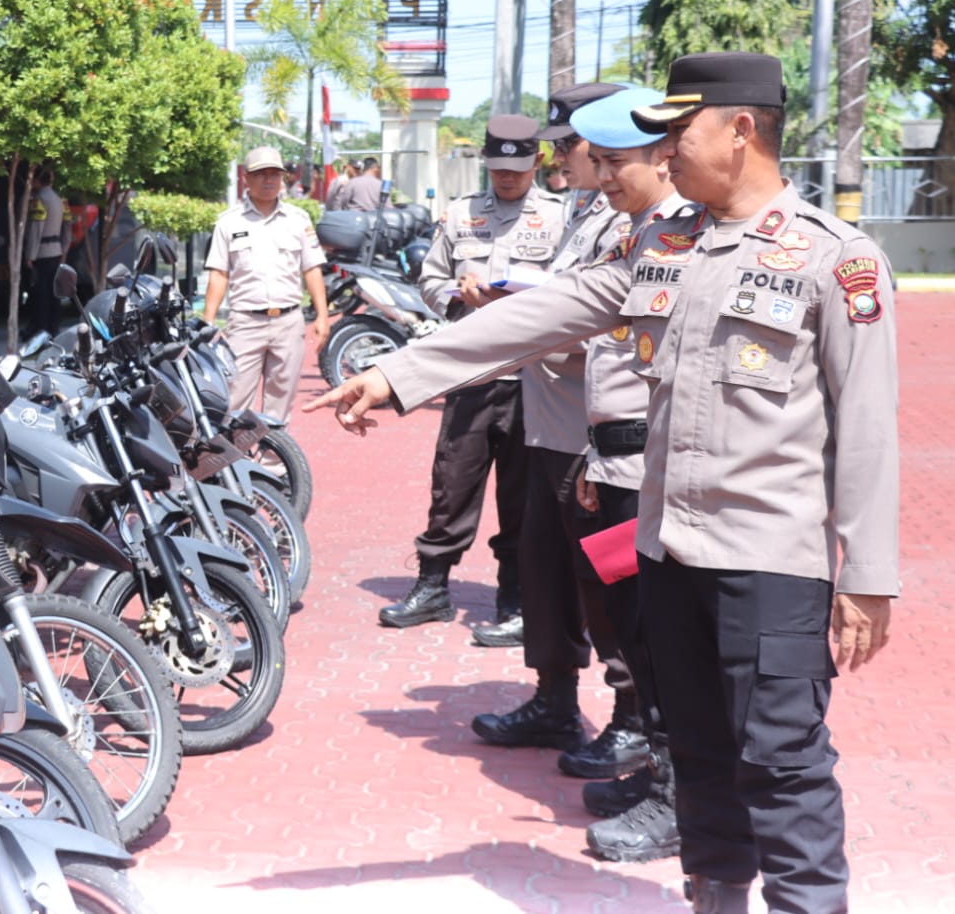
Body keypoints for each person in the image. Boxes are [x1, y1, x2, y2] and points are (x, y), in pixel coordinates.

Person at [308, 52, 897, 914]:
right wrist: (401, 374)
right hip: (668, 552)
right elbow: (542, 312)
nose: (662, 154)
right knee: (696, 756)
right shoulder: (663, 243)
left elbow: (869, 430)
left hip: (771, 564)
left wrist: (870, 579)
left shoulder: (830, 260)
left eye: (677, 134)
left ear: (740, 131)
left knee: (780, 768)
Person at [468, 86, 656, 787]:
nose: (560, 157)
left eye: (570, 145)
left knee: (605, 581)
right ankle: (553, 699)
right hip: (545, 425)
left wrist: (537, 325)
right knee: (545, 572)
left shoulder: (638, 221)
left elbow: (615, 331)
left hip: (597, 439)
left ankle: (633, 717)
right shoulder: (582, 213)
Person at [376, 113, 567, 632]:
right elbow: (429, 278)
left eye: (519, 167)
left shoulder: (560, 217)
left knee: (524, 494)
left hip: (534, 377)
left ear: (539, 162)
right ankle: (433, 586)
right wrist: (456, 296)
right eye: (498, 167)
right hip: (472, 374)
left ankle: (516, 597)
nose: (507, 176)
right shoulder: (461, 214)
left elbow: (579, 290)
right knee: (451, 484)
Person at [563, 86, 689, 863]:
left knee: (661, 637)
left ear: (661, 158)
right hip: (614, 457)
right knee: (633, 636)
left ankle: (677, 797)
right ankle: (655, 777)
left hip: (650, 468)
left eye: (614, 163)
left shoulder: (676, 241)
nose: (601, 177)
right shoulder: (630, 236)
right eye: (599, 163)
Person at [202, 145, 329, 422]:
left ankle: (275, 465)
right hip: (245, 324)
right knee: (234, 400)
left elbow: (312, 268)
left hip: (288, 322)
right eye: (261, 174)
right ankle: (235, 463)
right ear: (246, 178)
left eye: (275, 174)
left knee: (280, 404)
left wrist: (322, 315)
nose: (269, 180)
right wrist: (208, 322)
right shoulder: (229, 222)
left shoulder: (298, 220)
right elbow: (219, 273)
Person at [23, 165, 66, 342]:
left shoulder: (39, 199)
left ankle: (41, 330)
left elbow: (36, 228)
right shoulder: (58, 199)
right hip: (56, 250)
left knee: (40, 293)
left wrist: (30, 254)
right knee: (53, 293)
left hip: (42, 252)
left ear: (38, 180)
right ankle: (53, 326)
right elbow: (66, 229)